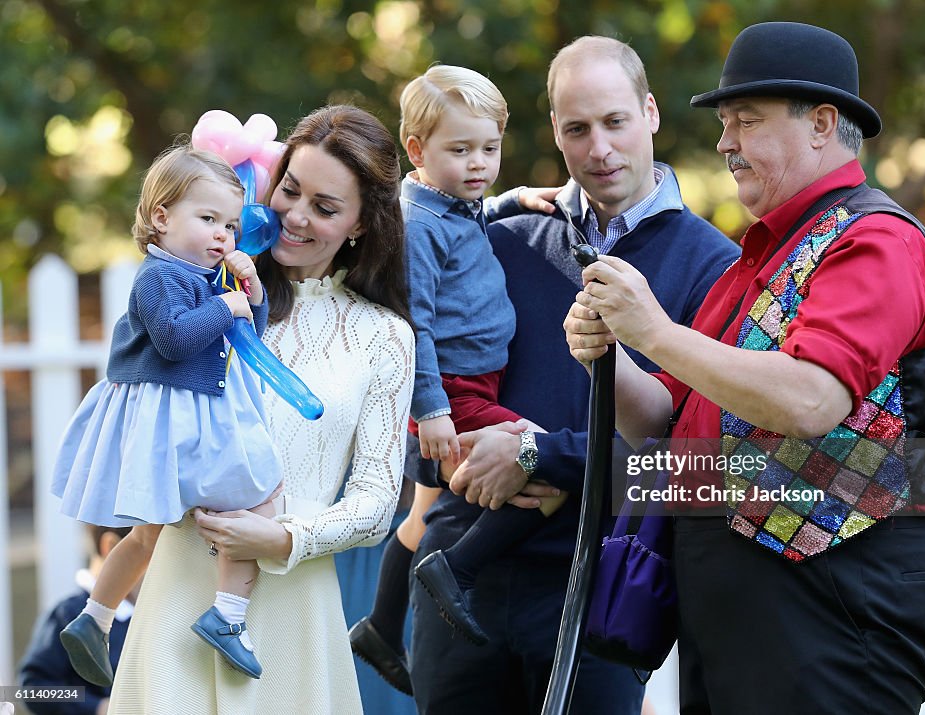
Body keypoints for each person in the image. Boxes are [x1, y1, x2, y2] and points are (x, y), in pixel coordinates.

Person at [563, 22, 925, 715]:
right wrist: (610, 353)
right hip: (751, 614)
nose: (725, 143)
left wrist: (656, 331)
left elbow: (813, 398)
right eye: (725, 123)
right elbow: (669, 418)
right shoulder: (759, 255)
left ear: (821, 125)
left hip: (838, 607)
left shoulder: (875, 239)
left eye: (745, 121)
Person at [408, 37, 740, 714]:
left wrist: (541, 455)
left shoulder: (717, 268)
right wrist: (466, 454)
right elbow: (429, 388)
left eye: (615, 121)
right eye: (576, 129)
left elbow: (702, 458)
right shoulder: (503, 237)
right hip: (462, 572)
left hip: (598, 586)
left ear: (649, 112)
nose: (599, 149)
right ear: (555, 133)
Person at [106, 104, 415, 715]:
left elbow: (377, 503)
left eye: (325, 209)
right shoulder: (206, 296)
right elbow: (139, 411)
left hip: (293, 602)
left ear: (359, 224)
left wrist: (280, 537)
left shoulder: (384, 337)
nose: (295, 217)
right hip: (181, 586)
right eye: (289, 190)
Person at [349, 65, 564, 690]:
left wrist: (510, 201)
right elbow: (411, 322)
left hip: (476, 383)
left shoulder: (452, 206)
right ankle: (457, 570)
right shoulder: (416, 227)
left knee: (422, 513)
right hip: (454, 389)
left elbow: (467, 216)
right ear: (417, 151)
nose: (478, 164)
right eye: (460, 150)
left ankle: (381, 626)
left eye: (489, 149)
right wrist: (434, 408)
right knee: (550, 464)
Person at [50, 143, 283, 686]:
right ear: (161, 217)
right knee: (257, 495)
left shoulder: (206, 277)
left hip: (189, 417)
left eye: (230, 223)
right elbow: (177, 339)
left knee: (151, 531)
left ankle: (96, 617)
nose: (224, 234)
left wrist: (249, 293)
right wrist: (226, 304)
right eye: (208, 219)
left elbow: (250, 336)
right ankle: (223, 614)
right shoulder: (158, 278)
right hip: (173, 420)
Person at [19, 525, 134, 715]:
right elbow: (35, 689)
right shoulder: (69, 613)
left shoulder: (150, 613)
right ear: (111, 546)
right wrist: (96, 706)